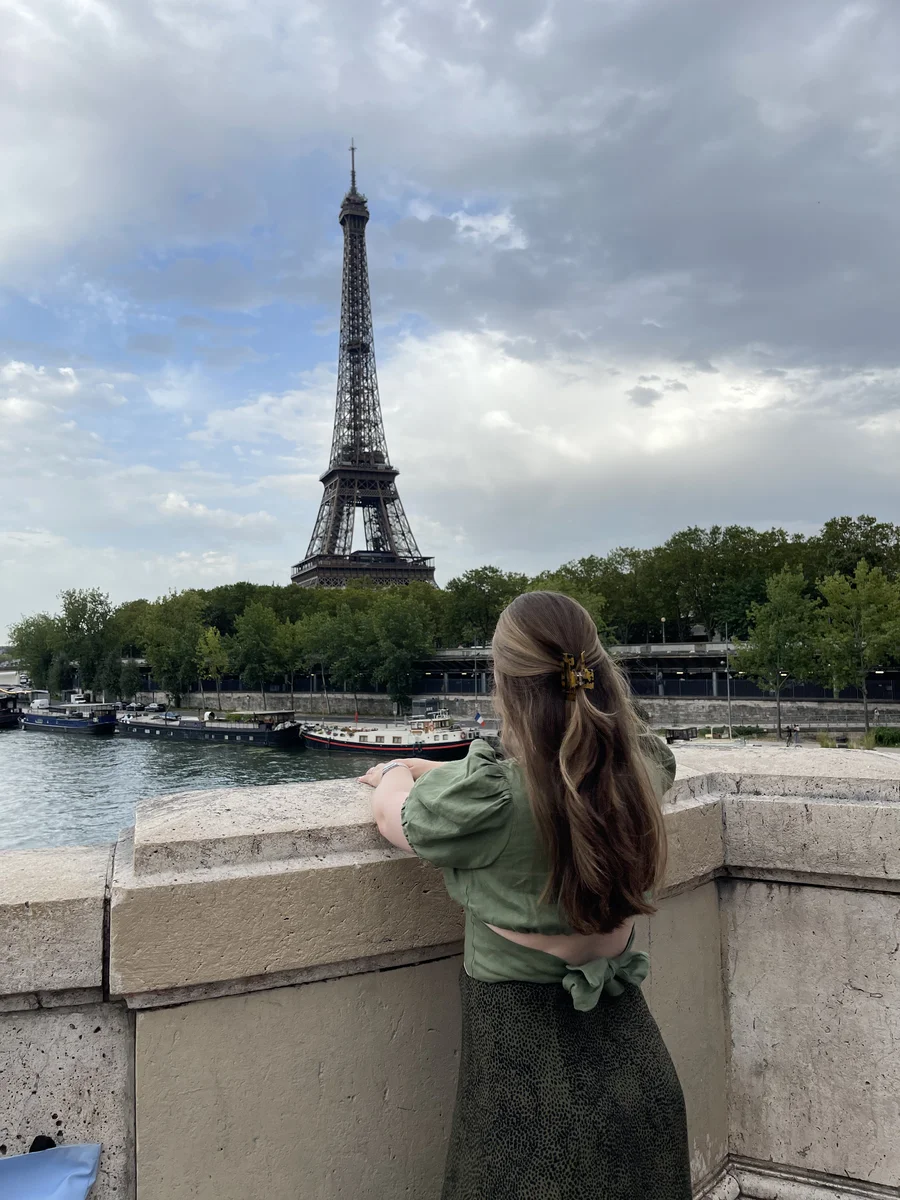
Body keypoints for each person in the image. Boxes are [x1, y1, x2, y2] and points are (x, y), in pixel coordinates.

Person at [359, 591, 691, 1199]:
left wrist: (398, 770)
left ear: (504, 686)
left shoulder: (490, 805)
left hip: (526, 1100)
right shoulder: (637, 778)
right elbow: (613, 760)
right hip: (642, 1085)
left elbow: (395, 816)